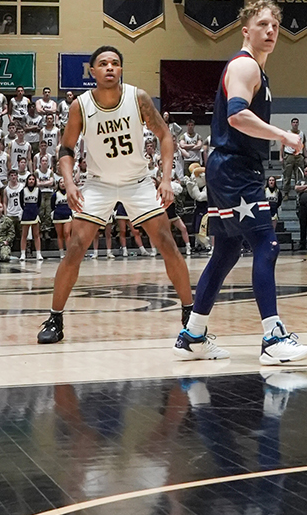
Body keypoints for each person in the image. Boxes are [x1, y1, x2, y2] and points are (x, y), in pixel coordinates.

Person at [34, 46, 204, 350]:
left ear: (121, 70)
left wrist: (165, 179)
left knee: (167, 243)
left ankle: (190, 315)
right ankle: (55, 319)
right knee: (74, 248)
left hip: (137, 183)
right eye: (103, 63)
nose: (109, 67)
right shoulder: (81, 106)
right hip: (98, 184)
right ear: (92, 72)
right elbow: (66, 149)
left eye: (115, 63)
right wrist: (70, 183)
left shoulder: (137, 98)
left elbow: (166, 136)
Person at [178, 1, 307, 364]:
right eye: (263, 24)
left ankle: (193, 334)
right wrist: (284, 136)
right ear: (246, 30)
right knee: (266, 244)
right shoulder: (244, 65)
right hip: (236, 168)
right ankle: (272, 338)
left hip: (228, 167)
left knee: (226, 250)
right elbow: (237, 115)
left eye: (275, 25)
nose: (271, 31)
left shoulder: (257, 70)